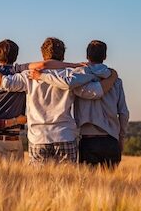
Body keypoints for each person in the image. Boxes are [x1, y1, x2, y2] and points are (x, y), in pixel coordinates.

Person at [0, 38, 117, 164]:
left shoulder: (28, 75)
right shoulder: (72, 75)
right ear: (63, 56)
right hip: (65, 135)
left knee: (38, 185)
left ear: (43, 55)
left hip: (38, 137)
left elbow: (3, 83)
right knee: (67, 185)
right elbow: (95, 92)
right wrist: (112, 77)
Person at [0, 39, 81, 159]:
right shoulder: (19, 70)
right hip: (15, 140)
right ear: (16, 56)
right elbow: (42, 64)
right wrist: (73, 65)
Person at [30, 40, 129, 168]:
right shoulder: (115, 81)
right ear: (105, 57)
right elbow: (123, 113)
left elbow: (68, 84)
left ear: (87, 56)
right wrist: (121, 138)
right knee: (110, 186)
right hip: (111, 140)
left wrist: (41, 76)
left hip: (88, 141)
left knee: (88, 186)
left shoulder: (78, 78)